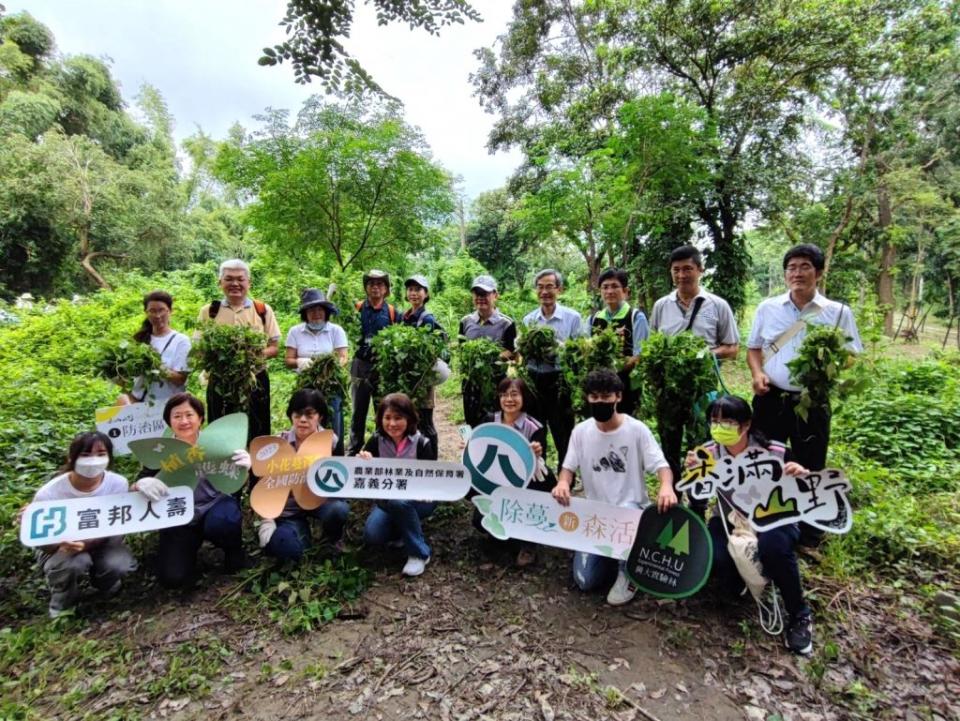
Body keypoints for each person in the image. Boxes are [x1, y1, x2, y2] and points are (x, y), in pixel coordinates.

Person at [689, 395, 814, 655]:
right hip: (728, 518)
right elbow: (698, 498)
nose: (719, 426)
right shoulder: (709, 452)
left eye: (728, 421)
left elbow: (804, 489)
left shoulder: (775, 452)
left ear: (746, 425)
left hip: (773, 517)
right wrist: (694, 473)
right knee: (714, 557)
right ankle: (741, 580)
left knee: (774, 548)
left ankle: (799, 615)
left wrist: (800, 475)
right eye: (714, 421)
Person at [552, 369, 676, 606]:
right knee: (585, 581)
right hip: (596, 515)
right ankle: (612, 555)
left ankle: (628, 573)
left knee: (628, 510)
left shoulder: (636, 430)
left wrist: (666, 486)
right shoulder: (581, 432)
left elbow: (662, 466)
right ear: (588, 398)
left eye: (606, 396)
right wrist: (562, 483)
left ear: (618, 397)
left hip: (629, 511)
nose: (600, 402)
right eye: (594, 397)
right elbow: (568, 467)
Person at [746, 243, 862, 473]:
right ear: (785, 274)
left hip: (813, 401)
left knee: (810, 464)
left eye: (805, 267)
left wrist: (827, 369)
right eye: (791, 268)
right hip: (771, 397)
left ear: (818, 273)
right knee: (760, 461)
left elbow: (851, 355)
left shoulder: (838, 312)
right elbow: (754, 348)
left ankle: (807, 507)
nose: (797, 273)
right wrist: (758, 373)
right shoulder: (767, 308)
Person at [650, 246, 740, 515]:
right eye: (676, 270)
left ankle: (698, 504)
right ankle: (671, 498)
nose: (681, 275)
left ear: (700, 270)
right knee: (669, 444)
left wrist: (700, 354)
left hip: (703, 390)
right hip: (669, 391)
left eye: (687, 268)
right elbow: (653, 345)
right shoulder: (661, 306)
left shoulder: (717, 305)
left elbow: (732, 348)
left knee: (701, 446)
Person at [139, 393, 252, 588]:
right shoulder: (162, 449)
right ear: (169, 421)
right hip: (179, 513)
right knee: (173, 577)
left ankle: (233, 550)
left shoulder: (218, 443)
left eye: (189, 415)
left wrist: (247, 467)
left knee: (224, 522)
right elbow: (142, 479)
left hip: (215, 505)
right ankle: (188, 555)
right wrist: (141, 484)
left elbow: (235, 480)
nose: (184, 421)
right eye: (177, 416)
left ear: (200, 419)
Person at [31, 432, 138, 618]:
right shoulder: (49, 494)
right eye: (85, 455)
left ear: (109, 457)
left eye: (101, 453)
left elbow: (121, 520)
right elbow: (41, 540)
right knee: (76, 563)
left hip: (101, 541)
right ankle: (62, 604)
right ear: (72, 458)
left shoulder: (117, 484)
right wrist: (59, 544)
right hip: (62, 549)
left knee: (120, 563)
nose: (93, 461)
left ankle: (107, 584)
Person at [257, 389, 350, 561]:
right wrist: (267, 518)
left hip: (320, 502)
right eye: (298, 414)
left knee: (338, 510)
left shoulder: (331, 441)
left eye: (309, 414)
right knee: (292, 551)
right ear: (291, 415)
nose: (303, 420)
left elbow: (341, 476)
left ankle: (332, 538)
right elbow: (268, 484)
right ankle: (298, 535)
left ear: (320, 416)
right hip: (290, 510)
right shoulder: (280, 443)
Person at [197, 259, 281, 442]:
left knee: (257, 428)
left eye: (240, 279)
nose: (235, 284)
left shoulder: (262, 310)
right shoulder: (209, 311)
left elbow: (274, 348)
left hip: (254, 379)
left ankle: (256, 469)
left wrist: (253, 356)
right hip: (220, 381)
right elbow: (199, 348)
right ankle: (223, 467)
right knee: (220, 428)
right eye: (229, 279)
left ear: (249, 282)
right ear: (220, 283)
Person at [476, 377, 557, 567]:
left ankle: (528, 544)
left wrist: (537, 451)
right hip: (496, 480)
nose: (509, 399)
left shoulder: (534, 426)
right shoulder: (489, 420)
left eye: (514, 394)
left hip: (526, 483)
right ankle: (503, 535)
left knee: (528, 509)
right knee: (479, 519)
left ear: (524, 397)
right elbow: (478, 451)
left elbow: (537, 458)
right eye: (504, 395)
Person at [360, 393, 437, 577]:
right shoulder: (376, 440)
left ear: (409, 419)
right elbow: (361, 472)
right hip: (386, 502)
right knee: (373, 535)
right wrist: (362, 460)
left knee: (399, 502)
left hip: (420, 501)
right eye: (387, 418)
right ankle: (405, 529)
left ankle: (419, 553)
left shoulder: (422, 443)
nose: (392, 424)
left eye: (398, 418)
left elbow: (433, 479)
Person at [521, 269, 582, 467]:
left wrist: (561, 349)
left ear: (559, 289)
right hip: (534, 379)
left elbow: (580, 352)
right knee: (536, 431)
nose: (545, 292)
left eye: (549, 287)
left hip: (560, 380)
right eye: (540, 287)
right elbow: (522, 354)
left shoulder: (572, 318)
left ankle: (567, 477)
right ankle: (541, 476)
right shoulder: (529, 320)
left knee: (563, 431)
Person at [285, 288, 349, 455]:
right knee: (305, 422)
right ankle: (304, 460)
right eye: (311, 310)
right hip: (305, 387)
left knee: (333, 422)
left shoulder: (336, 331)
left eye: (320, 310)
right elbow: (288, 360)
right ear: (305, 313)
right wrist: (300, 362)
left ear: (326, 312)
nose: (316, 314)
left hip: (331, 386)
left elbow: (343, 357)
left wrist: (330, 368)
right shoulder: (295, 332)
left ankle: (336, 459)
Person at [348, 269, 398, 456]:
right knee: (358, 411)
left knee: (383, 409)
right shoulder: (357, 308)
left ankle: (381, 450)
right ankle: (353, 451)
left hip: (382, 367)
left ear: (386, 289)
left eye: (380, 284)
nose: (375, 287)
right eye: (371, 284)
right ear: (366, 288)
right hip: (360, 365)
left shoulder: (392, 312)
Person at [587, 268, 649, 416]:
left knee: (626, 425)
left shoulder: (635, 317)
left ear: (625, 291)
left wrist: (615, 365)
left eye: (615, 286)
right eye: (605, 287)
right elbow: (587, 350)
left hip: (626, 386)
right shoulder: (594, 319)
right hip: (599, 388)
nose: (609, 291)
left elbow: (640, 355)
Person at [458, 274, 517, 427]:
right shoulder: (465, 322)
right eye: (477, 294)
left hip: (495, 383)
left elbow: (512, 352)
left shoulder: (507, 323)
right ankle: (471, 449)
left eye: (485, 294)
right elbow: (461, 349)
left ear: (495, 295)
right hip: (471, 383)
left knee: (495, 422)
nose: (480, 298)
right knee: (471, 422)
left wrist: (491, 357)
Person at [401, 274, 448, 457]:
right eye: (410, 289)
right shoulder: (407, 315)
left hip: (423, 377)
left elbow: (427, 350)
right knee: (413, 419)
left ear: (426, 293)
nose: (413, 293)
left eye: (418, 290)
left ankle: (432, 462)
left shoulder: (426, 318)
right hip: (410, 376)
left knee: (425, 421)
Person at [121, 290, 191, 405]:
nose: (157, 316)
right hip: (137, 402)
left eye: (161, 310)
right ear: (146, 312)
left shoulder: (181, 341)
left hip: (167, 406)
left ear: (170, 311)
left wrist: (155, 365)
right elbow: (128, 378)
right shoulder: (139, 339)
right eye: (152, 311)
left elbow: (180, 380)